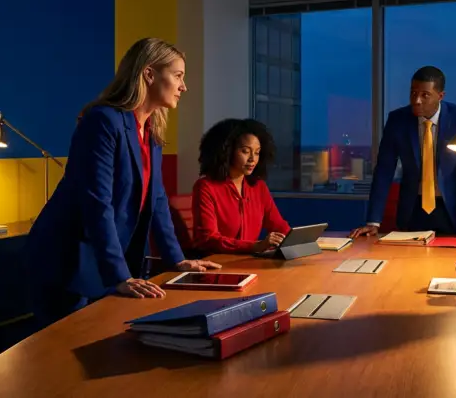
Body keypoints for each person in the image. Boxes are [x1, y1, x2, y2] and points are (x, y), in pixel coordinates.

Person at [25, 38, 221, 327]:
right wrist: (119, 276)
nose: (184, 86)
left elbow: (157, 200)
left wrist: (177, 260)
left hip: (106, 263)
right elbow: (97, 203)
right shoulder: (102, 121)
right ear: (149, 73)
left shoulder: (150, 128)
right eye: (178, 75)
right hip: (70, 260)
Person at [349, 66, 456, 241]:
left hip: (451, 210)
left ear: (440, 96)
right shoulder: (398, 120)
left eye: (425, 95)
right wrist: (373, 221)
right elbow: (384, 171)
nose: (417, 100)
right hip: (413, 210)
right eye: (413, 93)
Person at [192, 119, 291, 254]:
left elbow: (278, 225)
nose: (252, 159)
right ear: (227, 151)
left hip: (247, 264)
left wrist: (295, 240)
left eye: (257, 152)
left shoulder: (258, 187)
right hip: (216, 265)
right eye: (245, 151)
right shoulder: (206, 187)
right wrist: (255, 246)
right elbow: (208, 239)